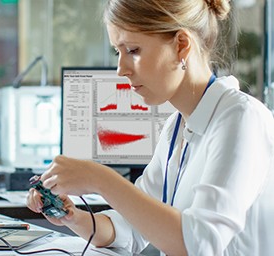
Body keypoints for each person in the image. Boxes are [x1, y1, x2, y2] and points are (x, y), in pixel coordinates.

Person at [27, 0, 274, 255]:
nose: (121, 70)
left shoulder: (242, 119)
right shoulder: (176, 126)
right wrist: (72, 217)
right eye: (117, 52)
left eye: (133, 50)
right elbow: (132, 229)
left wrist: (99, 178)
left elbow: (199, 245)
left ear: (181, 45)